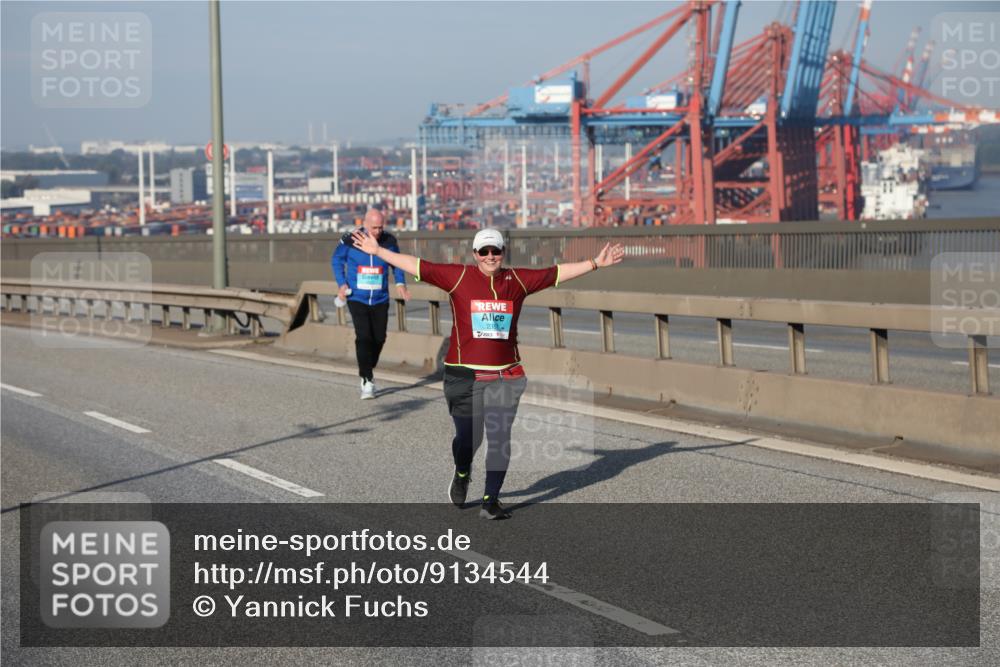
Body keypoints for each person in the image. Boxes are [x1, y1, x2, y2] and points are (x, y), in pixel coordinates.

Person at [352, 226, 624, 519]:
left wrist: (595, 263)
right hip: (464, 376)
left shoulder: (517, 279)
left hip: (506, 374)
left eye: (496, 251)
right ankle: (462, 470)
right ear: (475, 255)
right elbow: (417, 265)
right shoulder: (458, 277)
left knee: (499, 437)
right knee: (468, 440)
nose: (491, 256)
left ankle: (490, 500)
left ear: (503, 253)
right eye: (485, 251)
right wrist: (378, 251)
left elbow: (555, 273)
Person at [332, 208, 410, 399]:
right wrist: (342, 284)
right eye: (374, 227)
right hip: (357, 297)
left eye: (380, 227)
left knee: (379, 337)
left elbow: (397, 263)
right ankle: (366, 379)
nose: (377, 231)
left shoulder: (389, 241)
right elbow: (336, 260)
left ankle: (367, 365)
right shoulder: (350, 239)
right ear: (365, 225)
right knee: (364, 335)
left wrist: (400, 283)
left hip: (380, 298)